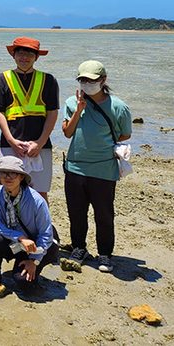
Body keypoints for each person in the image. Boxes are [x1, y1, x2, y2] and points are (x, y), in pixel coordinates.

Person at [61, 60, 132, 273]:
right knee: (76, 213)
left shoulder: (118, 106)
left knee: (104, 214)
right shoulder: (71, 102)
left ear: (103, 80)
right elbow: (67, 132)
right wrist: (79, 109)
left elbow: (125, 133)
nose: (87, 83)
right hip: (75, 168)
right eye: (83, 79)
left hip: (103, 170)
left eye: (91, 80)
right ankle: (79, 248)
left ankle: (105, 254)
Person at [0, 37, 59, 202]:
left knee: (40, 193)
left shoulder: (48, 80)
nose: (24, 58)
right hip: (11, 145)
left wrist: (41, 142)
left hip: (41, 146)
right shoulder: (2, 79)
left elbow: (52, 112)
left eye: (29, 54)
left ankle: (41, 227)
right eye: (20, 53)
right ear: (13, 55)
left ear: (36, 57)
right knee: (9, 190)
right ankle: (11, 227)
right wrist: (11, 140)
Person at [0, 156, 59, 296]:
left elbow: (46, 235)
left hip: (39, 245)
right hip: (18, 242)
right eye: (3, 173)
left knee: (23, 284)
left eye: (13, 173)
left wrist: (34, 261)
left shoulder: (36, 200)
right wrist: (20, 237)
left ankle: (33, 271)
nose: (8, 177)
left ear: (21, 177)